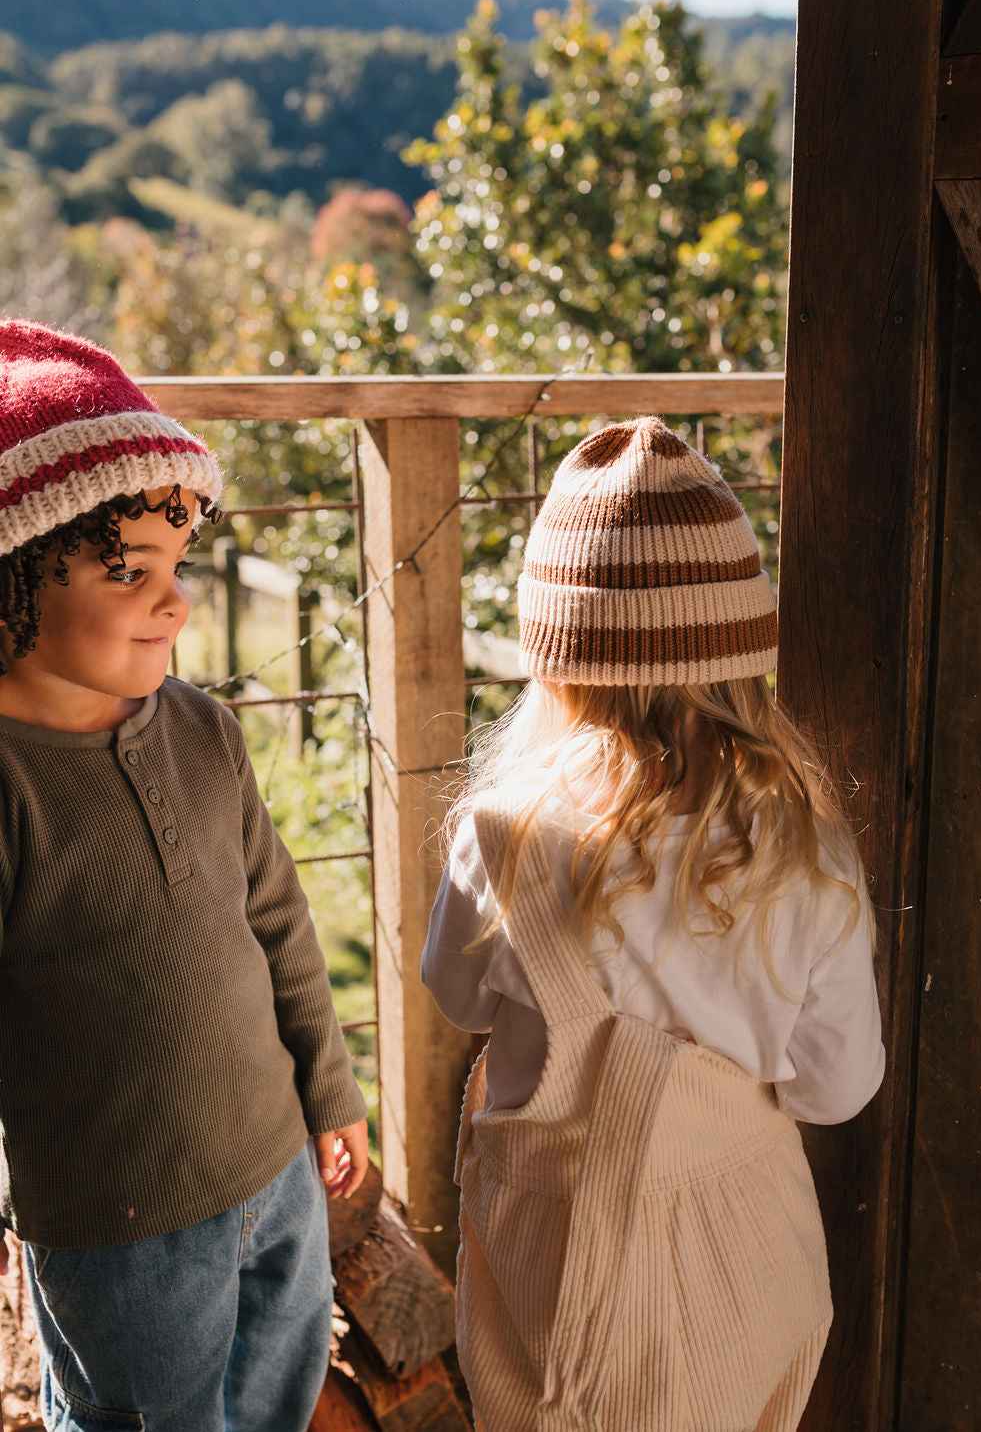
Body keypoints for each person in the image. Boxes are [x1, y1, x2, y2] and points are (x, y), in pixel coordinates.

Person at [422, 416, 885, 1432]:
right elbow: (836, 1086)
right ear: (742, 653)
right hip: (747, 1254)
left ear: (558, 657)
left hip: (553, 1258)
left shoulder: (499, 838)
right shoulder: (808, 852)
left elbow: (456, 995)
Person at [0, 319, 369, 1432]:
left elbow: (279, 919)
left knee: (279, 1391)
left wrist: (328, 1086)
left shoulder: (203, 731)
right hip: (118, 1224)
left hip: (274, 1172)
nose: (175, 600)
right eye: (129, 572)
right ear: (14, 576)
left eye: (178, 564)